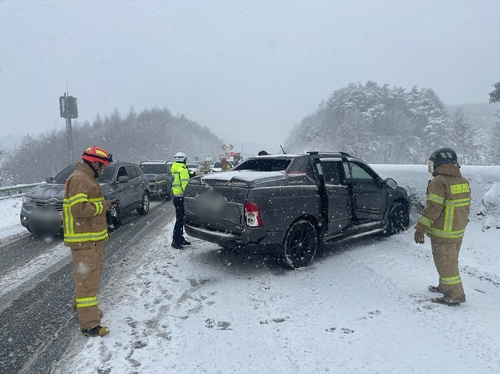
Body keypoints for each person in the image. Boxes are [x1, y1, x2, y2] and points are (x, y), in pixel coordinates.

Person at [63, 146, 116, 337]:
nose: (103, 170)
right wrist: (102, 206)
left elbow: (85, 206)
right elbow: (79, 209)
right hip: (84, 241)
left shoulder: (85, 178)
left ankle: (83, 309)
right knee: (88, 282)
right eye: (101, 166)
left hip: (90, 239)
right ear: (94, 163)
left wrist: (105, 205)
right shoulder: (80, 179)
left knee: (88, 278)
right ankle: (90, 325)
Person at [414, 147, 471, 306]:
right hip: (457, 231)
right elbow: (465, 207)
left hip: (443, 233)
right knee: (449, 261)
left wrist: (420, 228)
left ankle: (455, 295)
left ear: (439, 164)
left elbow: (433, 208)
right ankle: (445, 287)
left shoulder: (439, 182)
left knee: (446, 263)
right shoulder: (462, 180)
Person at [171, 152, 192, 249]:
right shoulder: (183, 170)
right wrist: (189, 195)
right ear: (184, 160)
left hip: (176, 197)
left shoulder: (175, 169)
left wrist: (192, 173)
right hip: (181, 198)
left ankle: (180, 238)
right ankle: (176, 241)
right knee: (180, 220)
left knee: (180, 219)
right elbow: (185, 185)